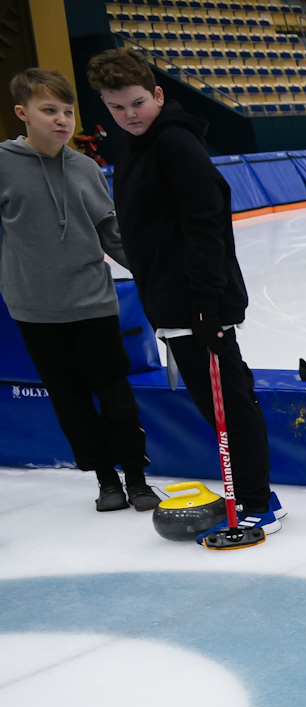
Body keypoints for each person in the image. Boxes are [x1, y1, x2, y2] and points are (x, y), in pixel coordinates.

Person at [86, 49, 284, 534]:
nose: (129, 115)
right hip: (173, 302)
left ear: (157, 94)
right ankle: (249, 489)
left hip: (199, 304)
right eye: (116, 108)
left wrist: (204, 301)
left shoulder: (174, 143)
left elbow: (206, 220)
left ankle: (260, 501)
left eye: (137, 103)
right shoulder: (138, 145)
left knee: (228, 402)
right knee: (216, 401)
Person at [1, 68, 155, 513]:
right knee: (70, 401)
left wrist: (151, 273)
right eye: (49, 110)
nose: (61, 120)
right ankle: (106, 481)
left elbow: (112, 232)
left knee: (116, 397)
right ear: (22, 113)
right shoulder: (3, 164)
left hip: (92, 303)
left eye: (67, 111)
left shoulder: (86, 167)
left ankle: (138, 479)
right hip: (34, 310)